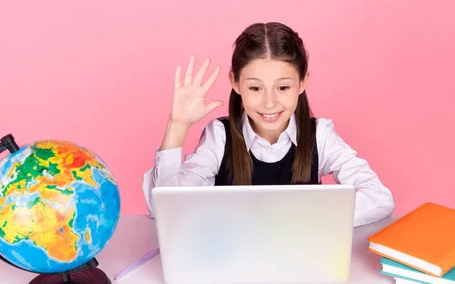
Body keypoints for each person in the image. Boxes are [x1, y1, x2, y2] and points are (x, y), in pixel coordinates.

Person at [142, 22, 394, 227]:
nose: (270, 102)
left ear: (303, 83)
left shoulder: (320, 135)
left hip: (300, 262)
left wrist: (303, 220)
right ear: (236, 83)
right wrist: (177, 126)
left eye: (283, 87)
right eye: (255, 87)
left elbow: (379, 198)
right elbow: (165, 210)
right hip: (229, 262)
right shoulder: (220, 137)